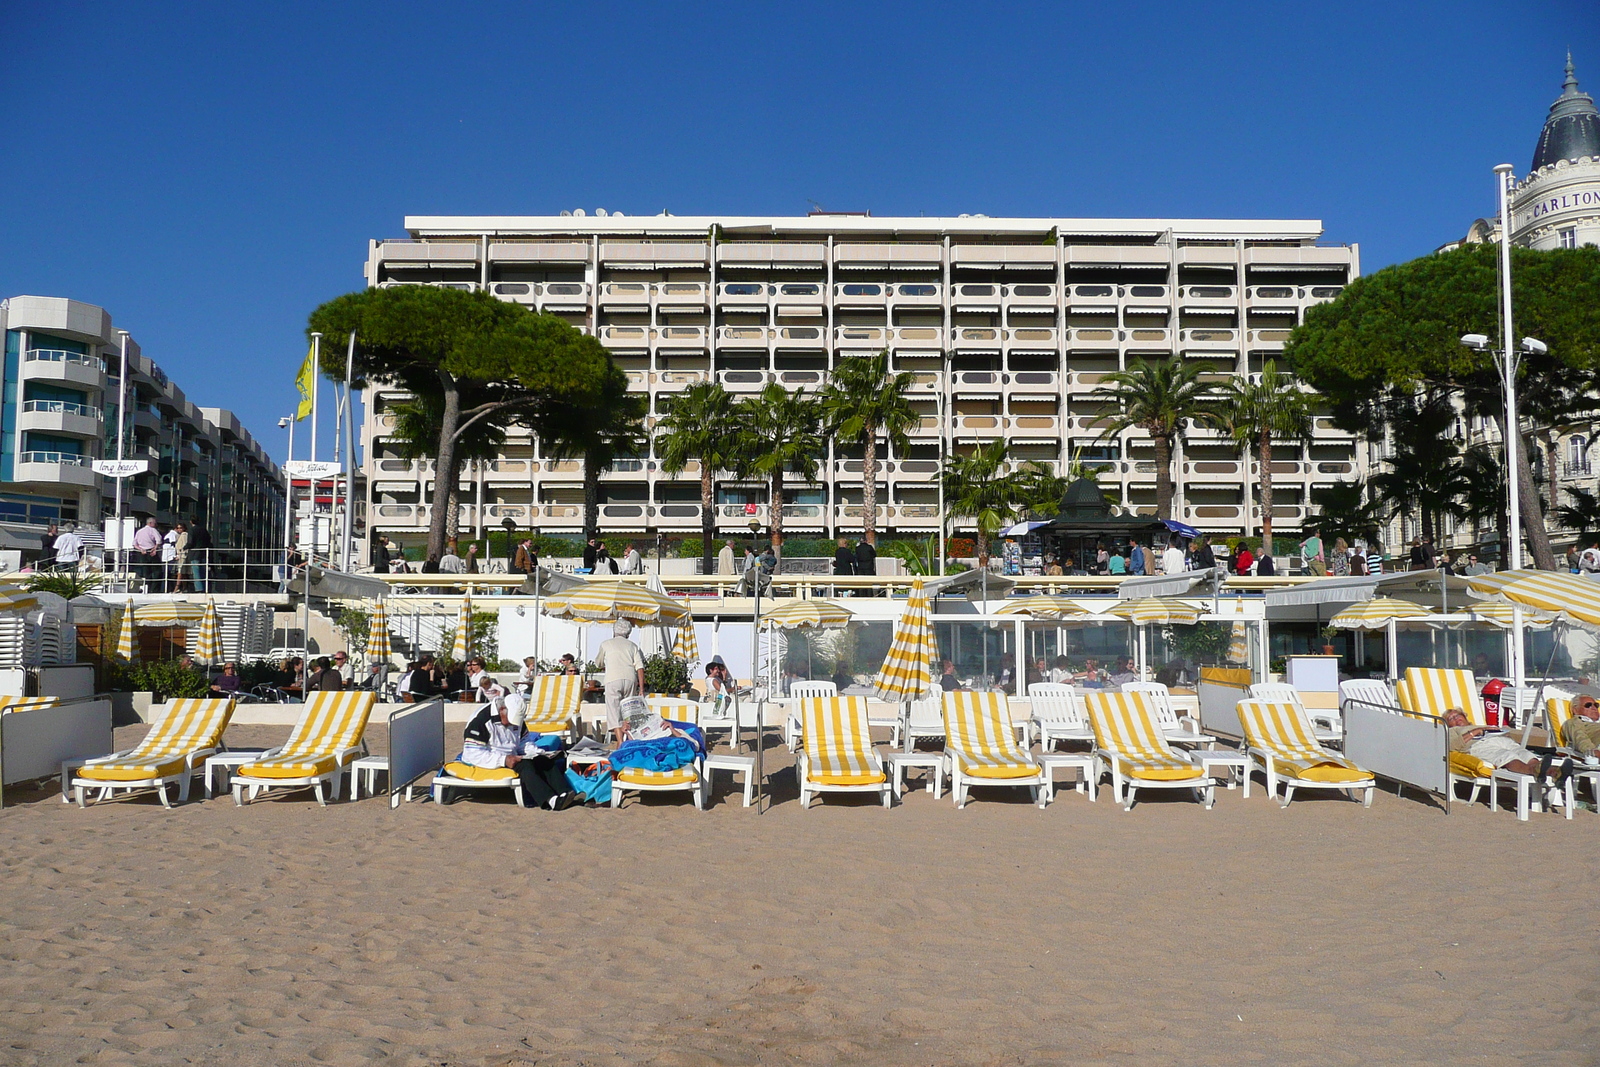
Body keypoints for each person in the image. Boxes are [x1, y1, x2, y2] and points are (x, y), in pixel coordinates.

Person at [459, 692, 580, 810]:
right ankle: (551, 800)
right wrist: (503, 760)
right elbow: (472, 753)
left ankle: (565, 793)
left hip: (512, 755)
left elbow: (524, 742)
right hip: (490, 758)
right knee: (525, 766)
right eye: (509, 720)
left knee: (543, 759)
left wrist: (536, 752)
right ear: (502, 709)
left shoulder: (517, 719)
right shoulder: (481, 720)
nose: (512, 725)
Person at [1443, 708, 1571, 784]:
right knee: (1507, 756)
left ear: (1464, 716)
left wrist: (1500, 732)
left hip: (1499, 739)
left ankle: (1555, 772)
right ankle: (1534, 771)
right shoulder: (1452, 732)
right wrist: (1475, 732)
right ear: (1448, 724)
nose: (1455, 718)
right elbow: (1452, 746)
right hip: (1479, 745)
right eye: (1451, 718)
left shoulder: (1479, 724)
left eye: (1457, 715)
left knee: (1524, 754)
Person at [595, 618, 645, 743]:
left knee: (614, 712)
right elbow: (640, 667)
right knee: (628, 712)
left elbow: (598, 663)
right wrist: (641, 689)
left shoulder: (606, 644)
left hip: (612, 679)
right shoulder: (632, 646)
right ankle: (629, 739)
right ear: (628, 633)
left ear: (614, 631)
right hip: (630, 679)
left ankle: (619, 742)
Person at [132, 517, 162, 583]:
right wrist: (155, 548)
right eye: (155, 523)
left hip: (142, 552)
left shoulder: (139, 531)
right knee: (157, 571)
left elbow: (134, 544)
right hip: (151, 551)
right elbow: (159, 540)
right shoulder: (152, 530)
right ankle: (154, 589)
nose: (156, 524)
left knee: (146, 570)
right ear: (150, 523)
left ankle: (147, 586)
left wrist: (141, 549)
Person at [187, 518, 211, 591]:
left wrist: (185, 547)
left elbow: (190, 542)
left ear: (191, 522)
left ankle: (199, 589)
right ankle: (205, 587)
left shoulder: (192, 530)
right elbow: (209, 539)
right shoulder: (204, 530)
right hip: (203, 552)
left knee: (196, 572)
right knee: (203, 571)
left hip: (194, 553)